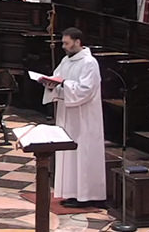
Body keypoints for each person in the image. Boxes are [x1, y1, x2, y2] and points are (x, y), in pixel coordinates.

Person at [40, 27, 106, 207]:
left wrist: (63, 85)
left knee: (82, 154)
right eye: (63, 43)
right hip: (67, 113)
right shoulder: (66, 60)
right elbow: (57, 77)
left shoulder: (89, 63)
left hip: (84, 117)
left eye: (66, 43)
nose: (63, 47)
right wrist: (49, 82)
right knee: (68, 155)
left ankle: (85, 196)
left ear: (78, 42)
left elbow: (85, 90)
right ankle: (71, 192)